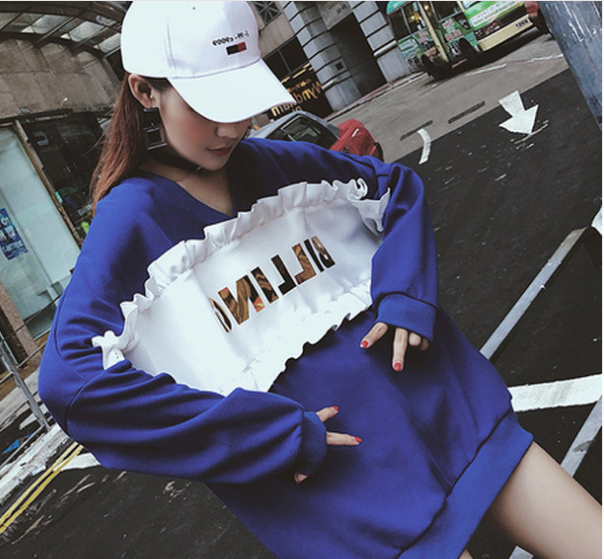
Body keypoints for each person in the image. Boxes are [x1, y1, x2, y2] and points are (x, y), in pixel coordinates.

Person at [38, 2, 601, 559]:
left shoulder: (276, 163)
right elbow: (72, 385)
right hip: (349, 492)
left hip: (448, 405)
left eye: (240, 102)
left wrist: (405, 298)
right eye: (209, 105)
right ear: (145, 92)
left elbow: (395, 189)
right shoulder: (131, 220)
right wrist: (262, 435)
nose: (231, 127)